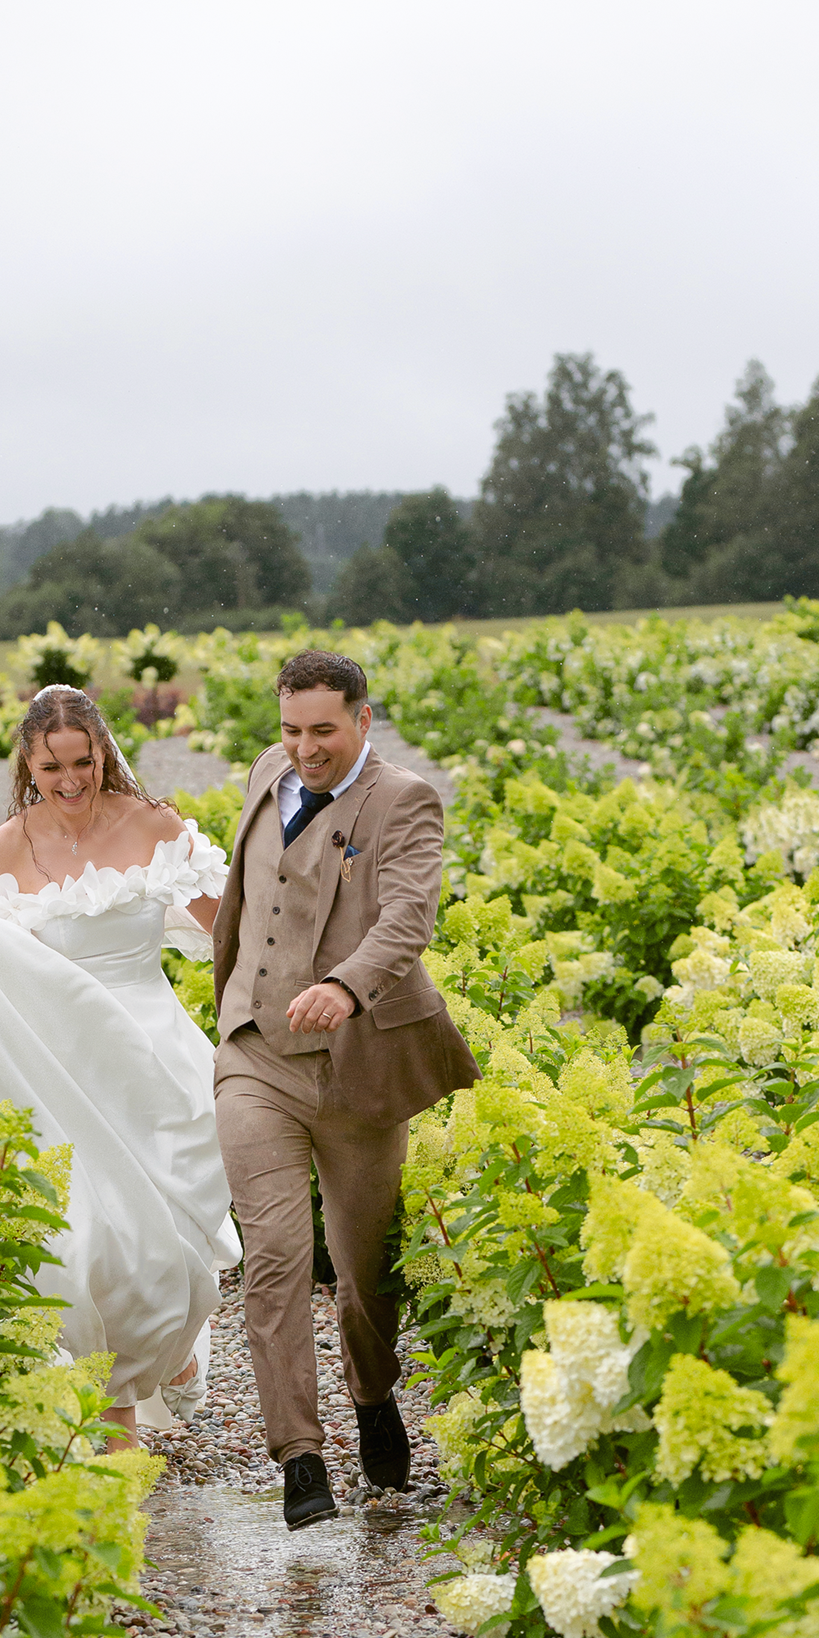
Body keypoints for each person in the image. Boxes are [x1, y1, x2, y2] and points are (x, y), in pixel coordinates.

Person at [0, 684, 239, 1441]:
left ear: (105, 752)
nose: (72, 780)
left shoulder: (157, 827)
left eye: (85, 760)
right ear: (28, 761)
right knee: (89, 1238)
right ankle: (114, 1413)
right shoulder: (6, 847)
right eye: (53, 767)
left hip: (150, 1052)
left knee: (163, 1241)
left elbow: (232, 939)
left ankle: (170, 1353)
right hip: (66, 1062)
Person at [211, 648, 478, 1528]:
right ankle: (299, 1456)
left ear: (364, 719)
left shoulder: (403, 800)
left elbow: (409, 915)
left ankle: (372, 1394)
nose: (304, 749)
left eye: (323, 730)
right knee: (277, 1258)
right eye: (290, 730)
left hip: (357, 1070)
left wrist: (346, 984)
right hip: (256, 1054)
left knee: (364, 1272)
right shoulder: (267, 772)